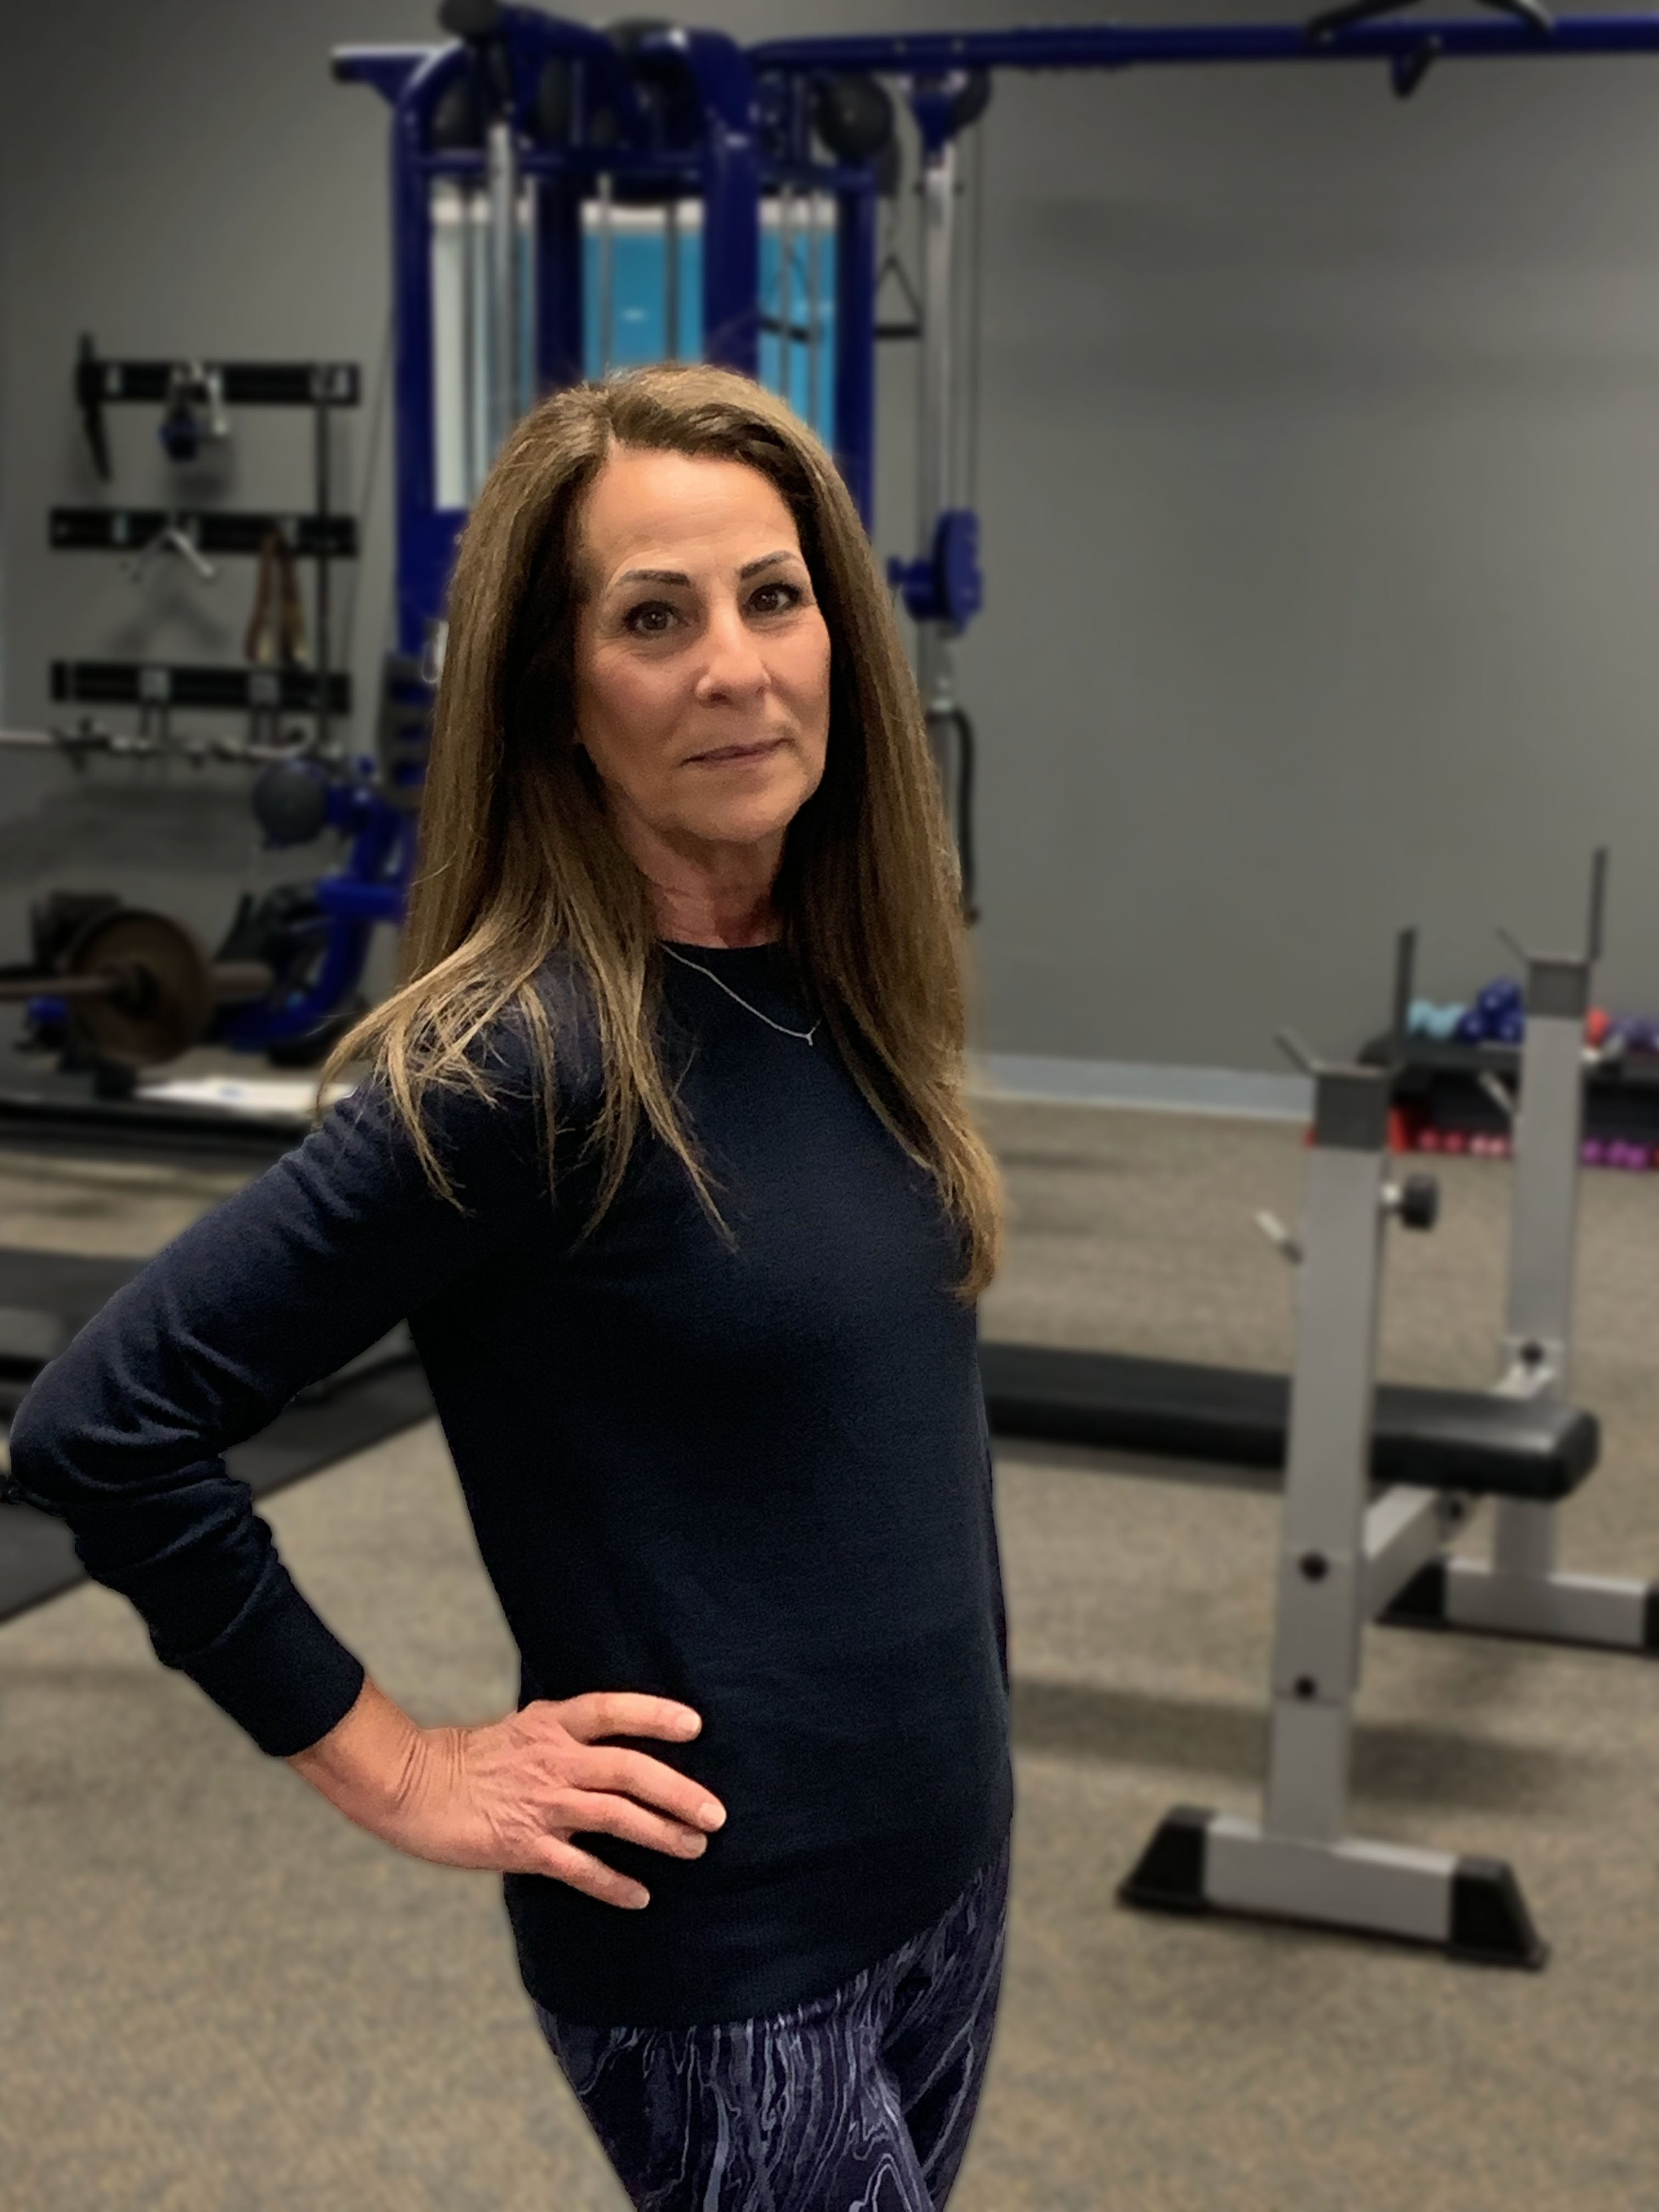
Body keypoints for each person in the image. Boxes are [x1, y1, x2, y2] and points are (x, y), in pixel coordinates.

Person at [5, 362, 1013, 2211]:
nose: (735, 666)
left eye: (772, 597)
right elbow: (105, 1428)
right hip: (729, 1953)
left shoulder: (845, 985)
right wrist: (400, 1770)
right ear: (559, 698)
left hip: (940, 1881)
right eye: (654, 617)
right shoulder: (522, 1060)